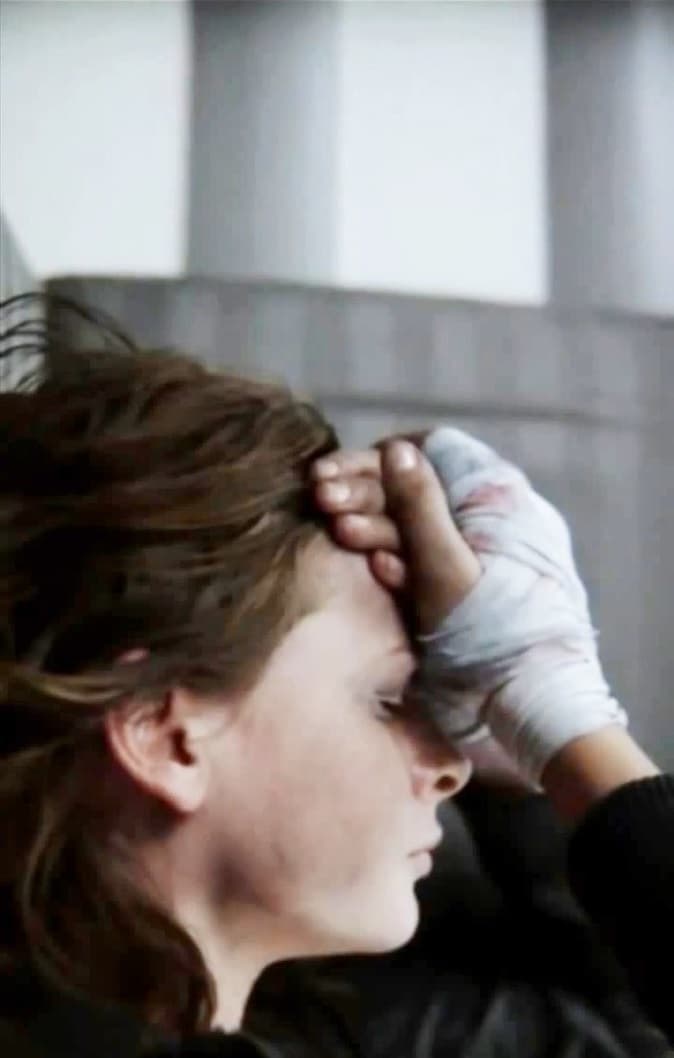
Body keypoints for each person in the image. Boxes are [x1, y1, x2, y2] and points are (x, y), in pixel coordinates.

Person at [1, 295, 671, 1056]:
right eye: (388, 700)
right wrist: (563, 712)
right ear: (162, 735)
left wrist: (523, 765)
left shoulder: (317, 1025)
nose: (452, 764)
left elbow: (610, 1036)